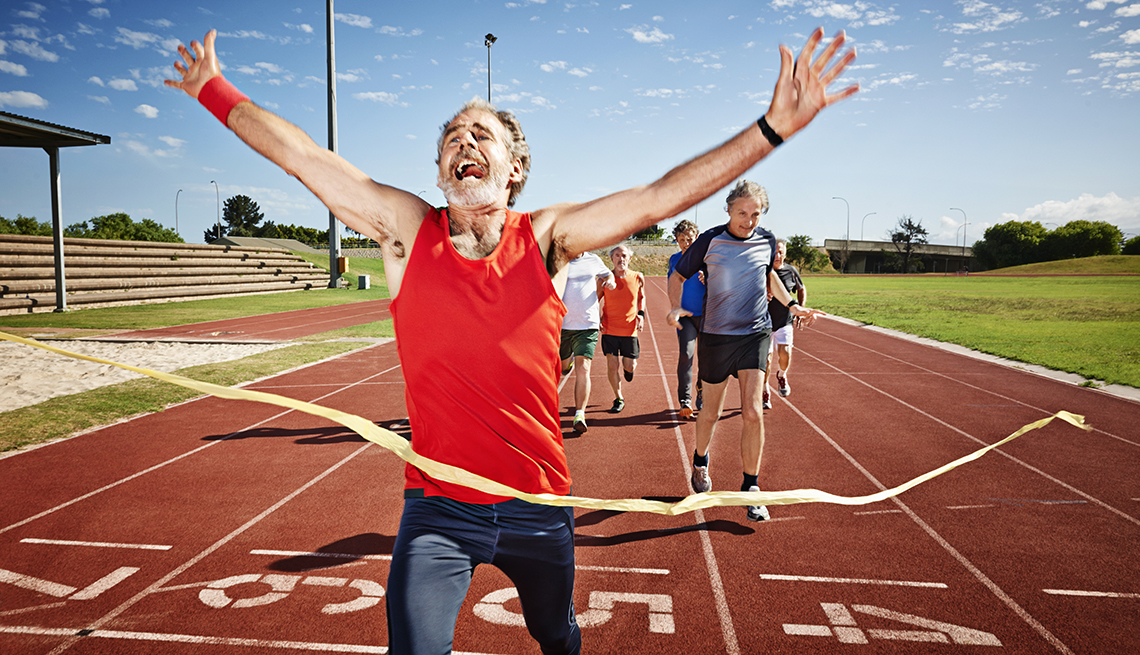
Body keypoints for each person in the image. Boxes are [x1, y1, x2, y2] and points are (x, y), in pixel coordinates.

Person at [166, 27, 857, 654]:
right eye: (453, 136)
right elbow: (306, 158)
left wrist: (771, 129)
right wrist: (212, 90)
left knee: (554, 633)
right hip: (439, 506)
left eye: (482, 134)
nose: (465, 142)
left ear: (514, 167)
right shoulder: (406, 229)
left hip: (537, 504)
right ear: (441, 167)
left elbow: (657, 197)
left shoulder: (547, 238)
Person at [667, 181, 826, 522]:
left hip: (755, 334)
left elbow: (769, 276)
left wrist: (793, 306)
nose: (749, 220)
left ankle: (751, 487)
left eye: (755, 214)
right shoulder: (710, 241)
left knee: (753, 411)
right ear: (728, 209)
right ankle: (700, 459)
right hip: (716, 337)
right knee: (709, 412)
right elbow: (678, 276)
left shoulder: (766, 240)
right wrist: (675, 307)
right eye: (742, 213)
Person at [560, 251, 615, 433]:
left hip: (587, 324)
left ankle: (579, 413)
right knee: (562, 366)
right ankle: (566, 363)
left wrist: (611, 282)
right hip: (562, 324)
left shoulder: (593, 259)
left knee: (583, 368)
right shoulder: (557, 258)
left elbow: (608, 274)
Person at [597, 244, 644, 413]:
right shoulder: (603, 280)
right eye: (617, 255)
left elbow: (642, 297)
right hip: (610, 329)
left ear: (629, 258)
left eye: (624, 255)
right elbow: (595, 300)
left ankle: (628, 370)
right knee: (612, 365)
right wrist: (597, 318)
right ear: (612, 259)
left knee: (629, 366)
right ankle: (618, 397)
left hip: (629, 330)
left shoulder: (638, 277)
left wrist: (641, 314)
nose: (620, 259)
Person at [668, 220, 705, 419]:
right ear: (677, 240)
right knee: (686, 354)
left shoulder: (707, 259)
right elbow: (671, 284)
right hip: (686, 317)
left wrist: (708, 279)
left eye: (690, 239)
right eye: (682, 239)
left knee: (706, 358)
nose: (686, 243)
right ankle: (685, 400)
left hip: (708, 316)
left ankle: (702, 388)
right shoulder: (674, 260)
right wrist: (674, 309)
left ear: (696, 238)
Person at [763, 238, 806, 408]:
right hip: (764, 324)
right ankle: (765, 390)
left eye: (781, 251)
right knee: (766, 361)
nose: (777, 255)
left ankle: (781, 375)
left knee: (785, 353)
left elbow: (801, 288)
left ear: (785, 254)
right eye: (775, 251)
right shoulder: (762, 271)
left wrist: (801, 309)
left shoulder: (791, 271)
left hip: (784, 322)